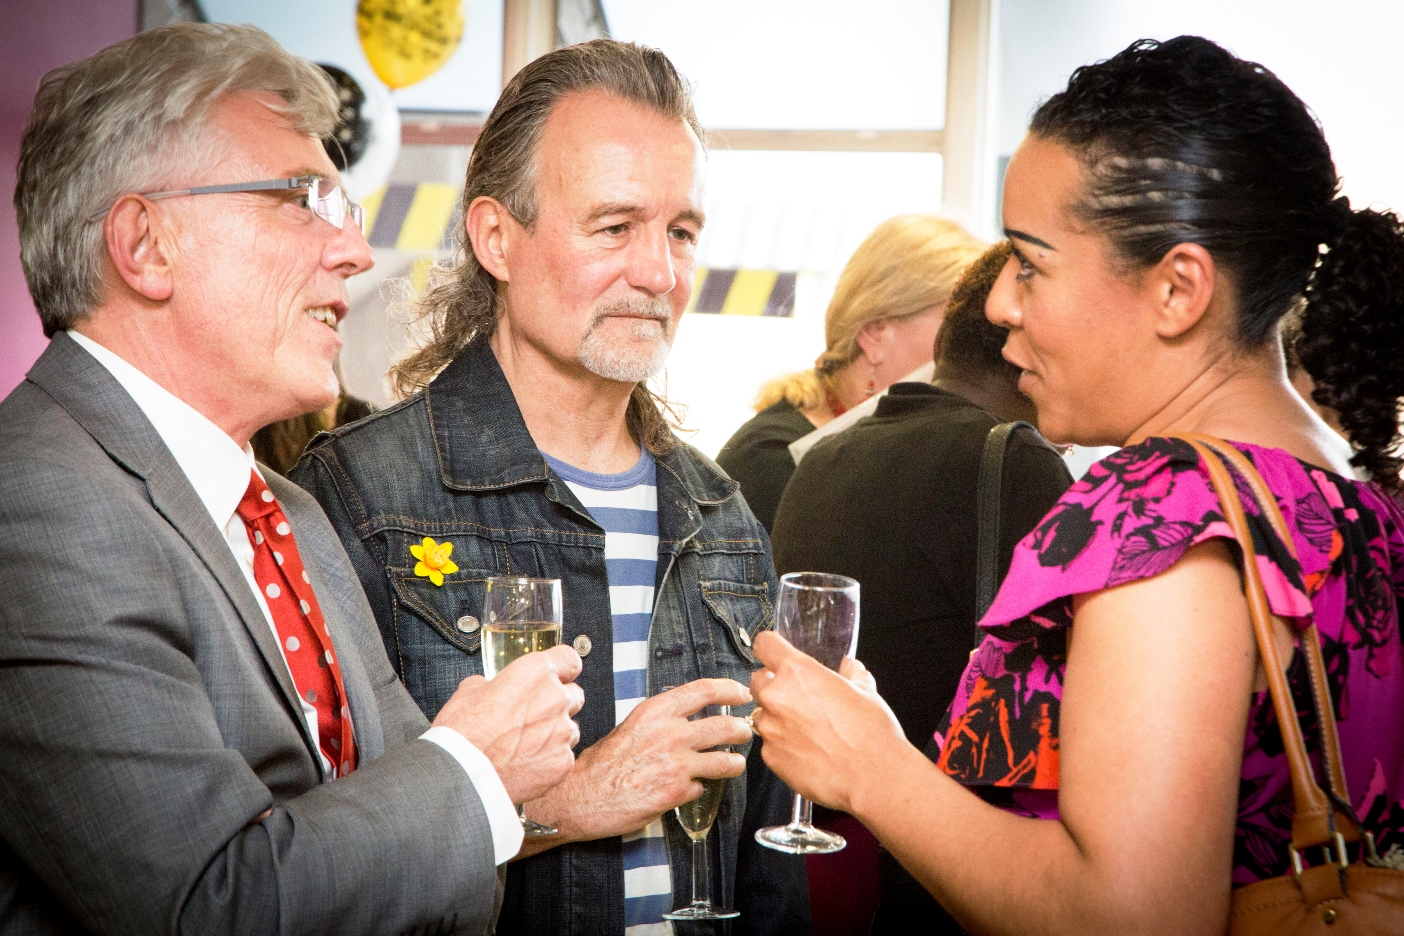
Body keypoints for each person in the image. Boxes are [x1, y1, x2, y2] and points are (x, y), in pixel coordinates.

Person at [748, 35, 1404, 934]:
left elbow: (1128, 916)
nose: (997, 304)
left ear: (1179, 289)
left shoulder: (1167, 512)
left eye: (1030, 262)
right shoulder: (1351, 493)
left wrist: (871, 771)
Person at [0, 24, 586, 934]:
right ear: (145, 244)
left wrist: (451, 792)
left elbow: (444, 873)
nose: (353, 251)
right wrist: (474, 770)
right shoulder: (32, 503)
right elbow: (209, 906)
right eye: (303, 199)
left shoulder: (291, 511)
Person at [289, 40, 809, 935]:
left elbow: (769, 863)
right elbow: (310, 858)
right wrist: (575, 795)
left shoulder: (722, 519)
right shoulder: (358, 497)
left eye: (680, 232)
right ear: (496, 237)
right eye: (615, 227)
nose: (659, 273)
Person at [770, 242, 1072, 935]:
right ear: (1020, 346)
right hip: (961, 861)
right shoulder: (1014, 459)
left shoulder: (822, 457)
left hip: (837, 863)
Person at [716, 215, 986, 531]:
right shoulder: (773, 462)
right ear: (874, 333)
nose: (973, 350)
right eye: (958, 327)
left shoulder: (912, 453)